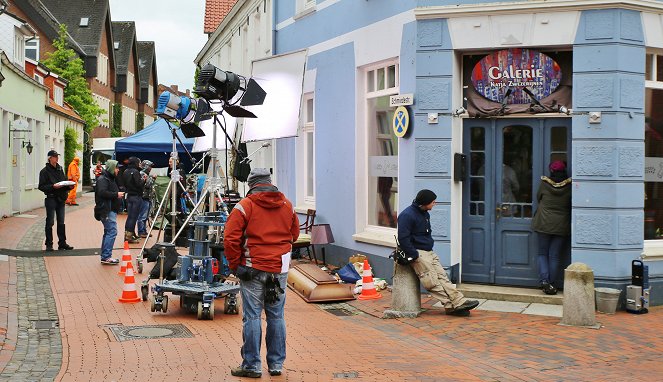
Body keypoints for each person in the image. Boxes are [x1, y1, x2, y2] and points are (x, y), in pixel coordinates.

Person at [224, 168, 300, 378]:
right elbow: (294, 234)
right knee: (276, 316)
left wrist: (234, 265)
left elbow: (230, 238)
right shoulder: (287, 205)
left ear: (251, 185)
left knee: (252, 316)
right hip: (279, 269)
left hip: (252, 268)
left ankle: (252, 365)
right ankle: (276, 365)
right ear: (269, 182)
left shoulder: (245, 206)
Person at [398, 189, 479, 316]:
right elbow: (403, 238)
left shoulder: (425, 213)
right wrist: (414, 255)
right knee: (431, 282)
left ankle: (458, 302)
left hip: (429, 252)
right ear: (425, 203)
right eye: (433, 202)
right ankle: (451, 306)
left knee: (443, 278)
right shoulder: (407, 215)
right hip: (418, 253)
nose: (434, 204)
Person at [531, 161, 571, 295]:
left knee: (542, 253)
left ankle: (544, 281)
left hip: (543, 222)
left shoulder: (544, 184)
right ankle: (551, 283)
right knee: (554, 255)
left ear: (552, 171)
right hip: (561, 224)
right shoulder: (569, 186)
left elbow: (538, 198)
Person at [38, 150, 74, 251]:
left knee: (61, 222)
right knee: (50, 222)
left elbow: (64, 182)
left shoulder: (60, 169)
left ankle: (62, 243)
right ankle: (49, 244)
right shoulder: (44, 171)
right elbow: (41, 186)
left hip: (61, 198)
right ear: (50, 158)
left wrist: (69, 186)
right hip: (51, 198)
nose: (57, 158)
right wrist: (53, 187)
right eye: (54, 156)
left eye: (57, 156)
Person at [94, 160, 124, 265]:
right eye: (116, 168)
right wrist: (116, 194)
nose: (118, 170)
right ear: (111, 168)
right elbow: (102, 193)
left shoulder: (109, 178)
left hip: (109, 210)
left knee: (108, 232)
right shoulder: (103, 179)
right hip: (106, 210)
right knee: (112, 231)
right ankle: (106, 256)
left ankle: (105, 255)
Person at [121, 156, 144, 244]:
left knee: (130, 216)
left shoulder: (125, 171)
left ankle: (128, 234)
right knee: (133, 217)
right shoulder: (136, 172)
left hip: (129, 196)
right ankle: (129, 237)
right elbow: (138, 184)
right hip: (136, 197)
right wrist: (144, 180)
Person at [137, 160, 155, 238]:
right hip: (144, 197)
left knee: (146, 215)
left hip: (147, 197)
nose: (151, 168)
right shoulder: (142, 174)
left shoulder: (146, 174)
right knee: (142, 215)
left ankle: (144, 230)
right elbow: (147, 185)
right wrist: (153, 178)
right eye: (150, 166)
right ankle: (141, 231)